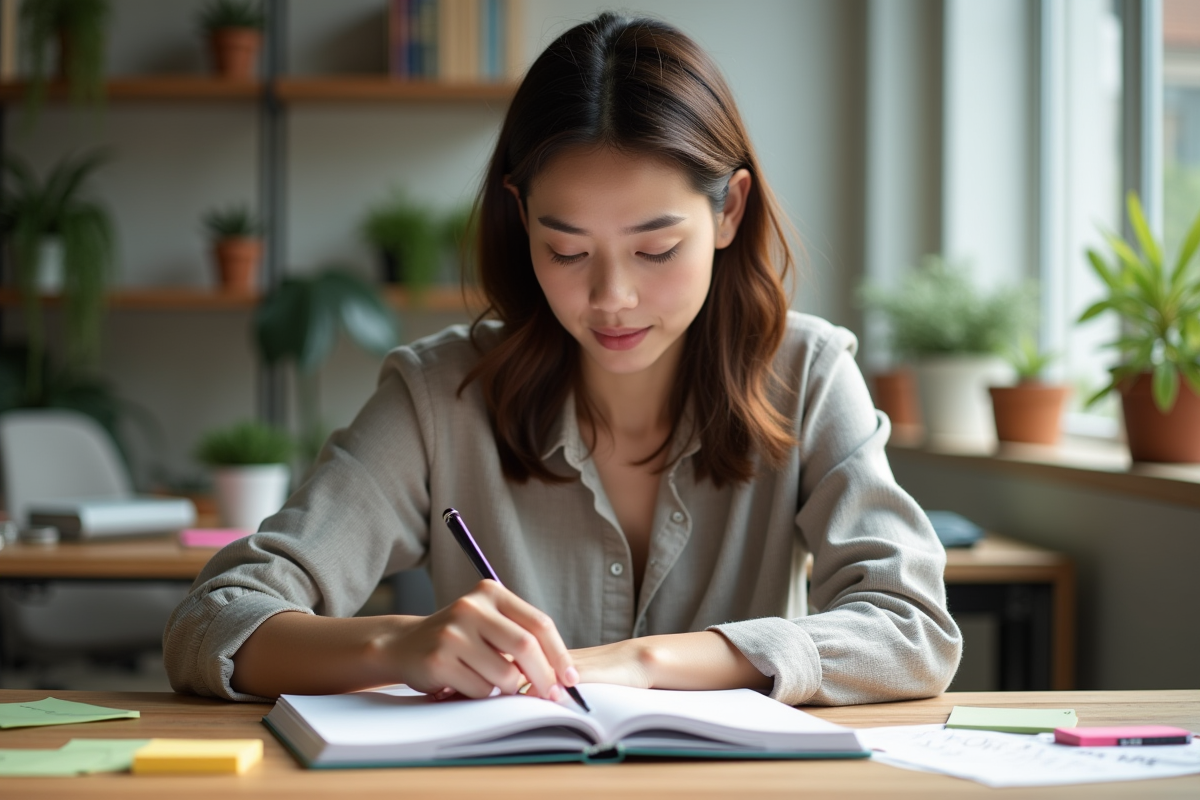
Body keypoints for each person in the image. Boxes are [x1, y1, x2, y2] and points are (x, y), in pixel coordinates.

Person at [164, 13, 961, 707]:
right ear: (521, 219)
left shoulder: (809, 375)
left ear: (730, 211)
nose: (611, 296)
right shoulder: (440, 396)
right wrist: (395, 648)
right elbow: (214, 620)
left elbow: (912, 630)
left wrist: (645, 664)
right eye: (566, 248)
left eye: (656, 248)